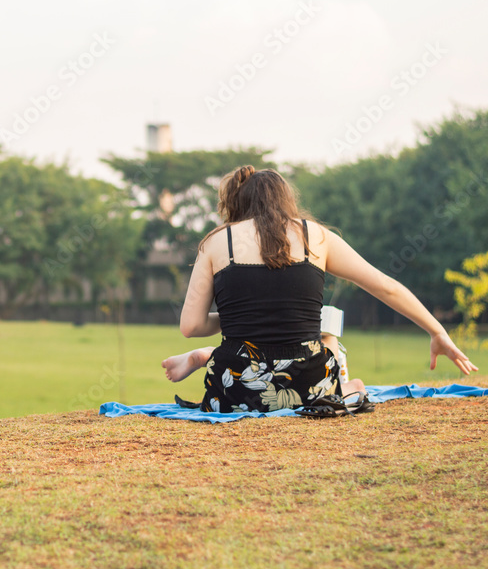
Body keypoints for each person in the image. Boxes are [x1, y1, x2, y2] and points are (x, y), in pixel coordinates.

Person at [161, 165, 477, 414]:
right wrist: (438, 332)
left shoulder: (218, 242)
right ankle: (349, 387)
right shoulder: (317, 237)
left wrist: (241, 316)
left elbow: (190, 326)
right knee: (340, 362)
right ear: (287, 200)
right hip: (310, 387)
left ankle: (208, 356)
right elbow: (385, 286)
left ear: (237, 201)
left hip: (235, 390)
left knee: (255, 348)